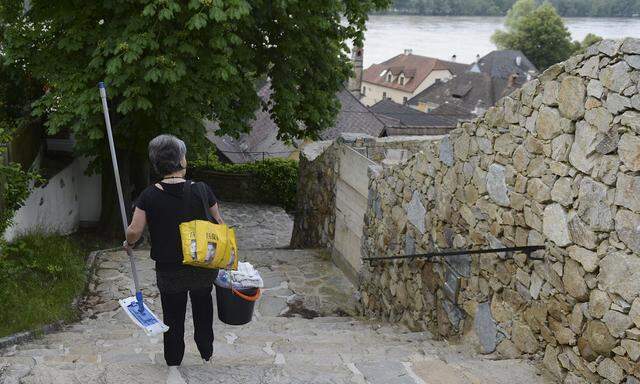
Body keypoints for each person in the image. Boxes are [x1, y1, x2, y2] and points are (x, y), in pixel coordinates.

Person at [123, 134, 224, 367]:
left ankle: (174, 359)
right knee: (203, 308)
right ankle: (206, 350)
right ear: (181, 160)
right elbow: (218, 222)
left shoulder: (148, 195)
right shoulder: (202, 189)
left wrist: (129, 242)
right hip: (201, 265)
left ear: (157, 163)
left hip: (169, 270)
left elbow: (134, 231)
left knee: (173, 316)